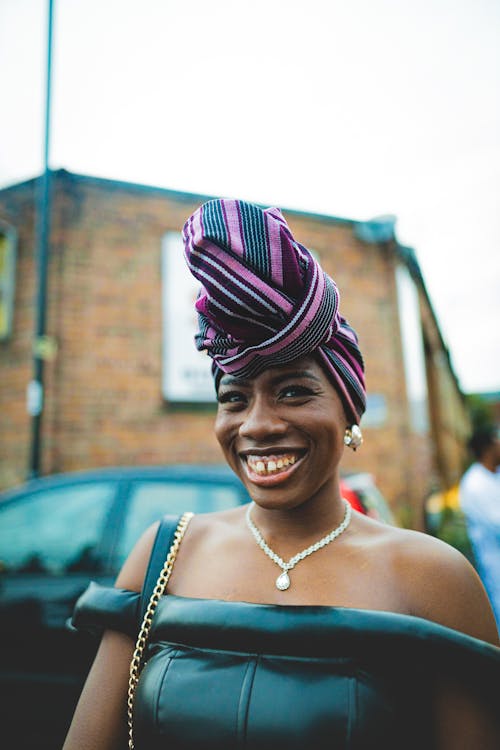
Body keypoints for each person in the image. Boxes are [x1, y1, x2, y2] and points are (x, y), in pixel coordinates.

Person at [64, 199, 499, 750]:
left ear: (349, 408)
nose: (258, 424)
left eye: (294, 391)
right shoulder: (165, 553)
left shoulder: (433, 578)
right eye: (234, 398)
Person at [459, 426, 500, 628]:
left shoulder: (495, 475)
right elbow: (496, 523)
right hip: (495, 563)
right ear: (488, 447)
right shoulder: (474, 484)